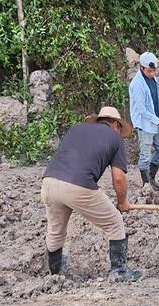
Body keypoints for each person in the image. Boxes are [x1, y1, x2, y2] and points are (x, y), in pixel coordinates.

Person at [41, 107, 141, 281]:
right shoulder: (116, 139)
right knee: (115, 223)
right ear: (116, 125)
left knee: (56, 231)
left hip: (49, 182)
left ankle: (54, 273)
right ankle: (119, 272)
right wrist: (122, 201)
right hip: (78, 185)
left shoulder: (76, 128)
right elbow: (118, 178)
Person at [129, 52, 159, 192]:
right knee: (145, 155)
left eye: (154, 70)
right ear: (141, 67)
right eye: (149, 71)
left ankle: (151, 177)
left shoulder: (153, 78)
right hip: (145, 123)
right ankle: (146, 184)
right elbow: (142, 110)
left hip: (157, 120)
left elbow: (156, 92)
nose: (152, 73)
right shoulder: (137, 84)